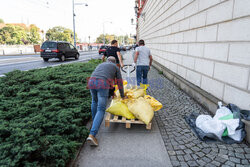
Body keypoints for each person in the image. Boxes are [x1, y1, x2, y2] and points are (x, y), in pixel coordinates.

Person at [87, 56, 125, 146]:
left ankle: (94, 123)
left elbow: (108, 81)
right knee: (101, 109)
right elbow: (119, 83)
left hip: (91, 81)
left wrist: (112, 92)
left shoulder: (101, 64)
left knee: (94, 101)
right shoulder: (115, 67)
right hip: (102, 84)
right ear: (115, 62)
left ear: (107, 60)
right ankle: (92, 135)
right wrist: (123, 95)